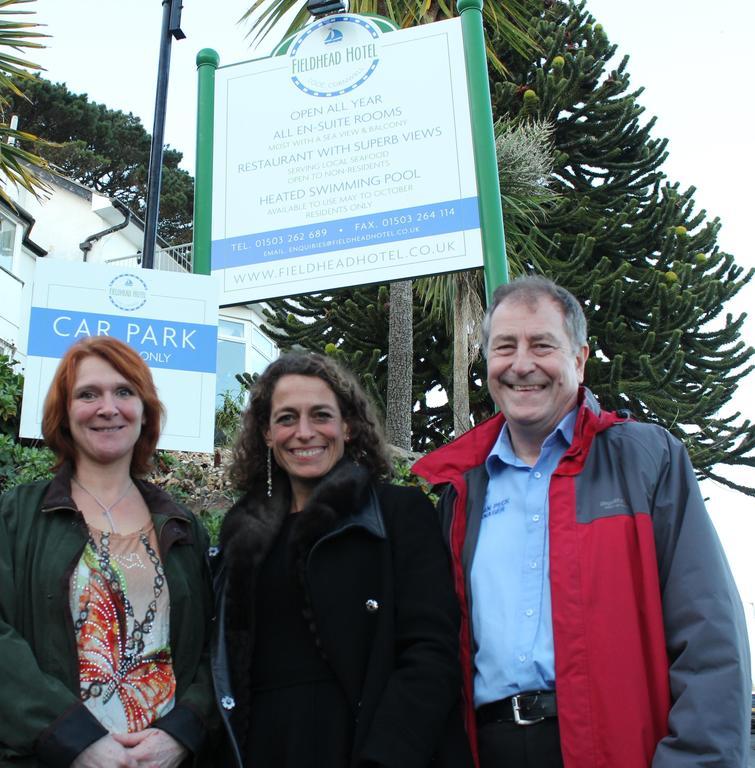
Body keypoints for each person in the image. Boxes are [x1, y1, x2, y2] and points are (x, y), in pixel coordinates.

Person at [413, 276, 751, 768]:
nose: (521, 364)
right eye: (504, 347)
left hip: (616, 751)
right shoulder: (460, 490)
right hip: (490, 750)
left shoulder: (646, 460)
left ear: (579, 359)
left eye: (542, 345)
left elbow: (709, 636)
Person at [211, 352, 472, 768]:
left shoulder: (397, 516)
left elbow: (431, 653)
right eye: (286, 418)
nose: (304, 432)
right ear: (265, 432)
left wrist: (385, 758)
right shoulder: (239, 537)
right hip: (264, 746)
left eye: (320, 415)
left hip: (366, 747)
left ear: (348, 426)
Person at [0, 336, 214, 768]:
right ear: (65, 412)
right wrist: (71, 738)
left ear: (144, 409)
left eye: (124, 392)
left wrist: (182, 733)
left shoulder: (184, 528)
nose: (107, 407)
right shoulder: (17, 514)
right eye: (88, 394)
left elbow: (218, 648)